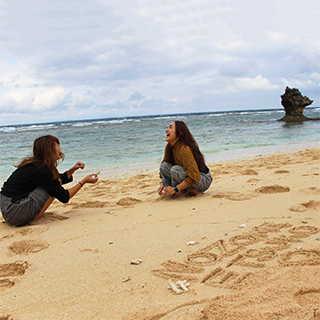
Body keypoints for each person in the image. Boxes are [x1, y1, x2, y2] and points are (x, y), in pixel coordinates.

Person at [0, 135, 98, 226]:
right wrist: (83, 182)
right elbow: (64, 196)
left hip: (9, 210)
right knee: (53, 188)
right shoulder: (40, 169)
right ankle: (36, 219)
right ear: (50, 149)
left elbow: (55, 180)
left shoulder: (37, 165)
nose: (60, 148)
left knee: (53, 185)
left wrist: (72, 170)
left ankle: (33, 216)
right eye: (58, 145)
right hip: (14, 211)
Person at [158, 121, 212, 197]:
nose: (166, 130)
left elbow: (194, 176)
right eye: (167, 127)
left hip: (202, 179)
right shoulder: (169, 147)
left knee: (175, 170)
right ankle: (168, 191)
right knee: (164, 165)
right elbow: (165, 170)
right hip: (186, 175)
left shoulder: (185, 149)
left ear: (179, 133)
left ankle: (194, 192)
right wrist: (162, 184)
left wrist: (176, 189)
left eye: (170, 127)